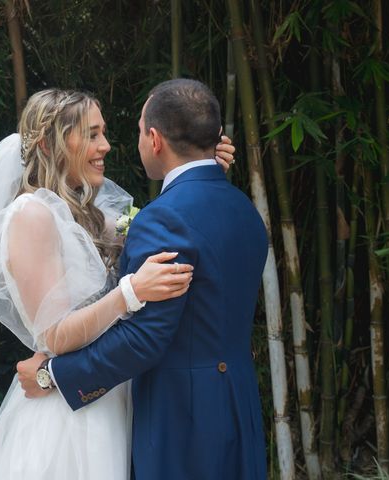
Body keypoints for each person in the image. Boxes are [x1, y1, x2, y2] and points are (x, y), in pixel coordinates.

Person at [0, 88, 236, 479]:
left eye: (102, 133)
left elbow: (168, 231)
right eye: (90, 134)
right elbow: (53, 335)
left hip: (106, 396)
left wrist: (200, 172)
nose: (105, 145)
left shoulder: (90, 217)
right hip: (67, 419)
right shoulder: (30, 216)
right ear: (51, 146)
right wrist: (131, 292)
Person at [18, 79, 268, 480]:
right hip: (237, 405)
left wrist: (53, 375)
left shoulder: (165, 218)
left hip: (182, 420)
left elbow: (146, 337)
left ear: (154, 139)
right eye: (94, 134)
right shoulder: (242, 209)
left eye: (133, 131)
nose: (111, 146)